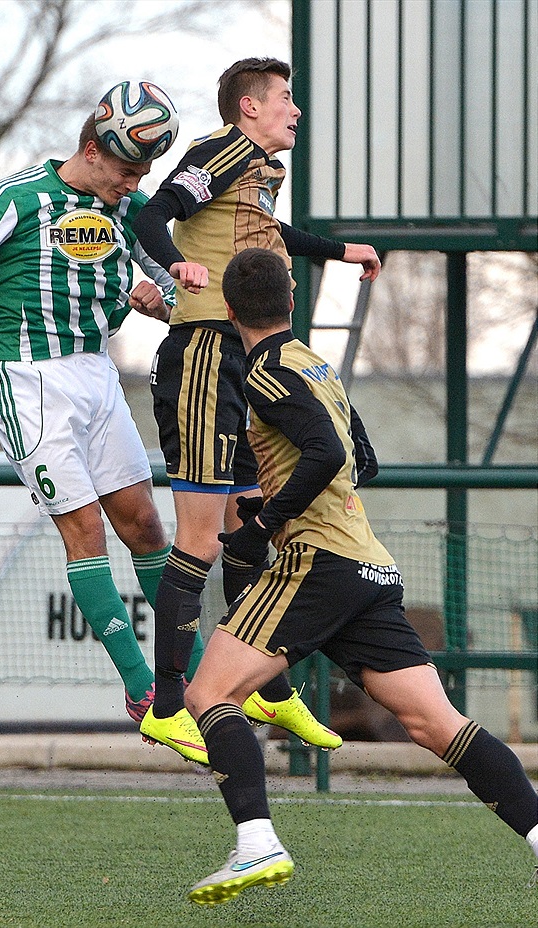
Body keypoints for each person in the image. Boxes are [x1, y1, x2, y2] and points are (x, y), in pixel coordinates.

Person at [180, 247, 538, 906]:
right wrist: (286, 500)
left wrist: (264, 525)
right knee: (437, 724)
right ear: (292, 302)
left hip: (318, 564)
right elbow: (359, 460)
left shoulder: (264, 373)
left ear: (229, 311)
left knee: (208, 694)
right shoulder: (317, 364)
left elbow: (326, 452)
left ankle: (257, 842)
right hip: (368, 566)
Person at [0, 108, 206, 739]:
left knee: (145, 525)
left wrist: (161, 301)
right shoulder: (17, 196)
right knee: (86, 531)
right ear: (92, 149)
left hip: (97, 374)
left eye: (143, 173)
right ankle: (144, 690)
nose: (134, 183)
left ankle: (195, 678)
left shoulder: (129, 211)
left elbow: (177, 289)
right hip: (26, 378)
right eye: (127, 169)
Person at [133, 57, 380, 758]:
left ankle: (267, 691)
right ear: (249, 107)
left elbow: (273, 235)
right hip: (204, 355)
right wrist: (174, 265)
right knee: (200, 538)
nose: (295, 110)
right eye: (285, 98)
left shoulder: (260, 171)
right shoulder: (222, 150)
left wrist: (341, 250)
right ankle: (167, 705)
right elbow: (153, 214)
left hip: (239, 357)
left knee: (248, 525)